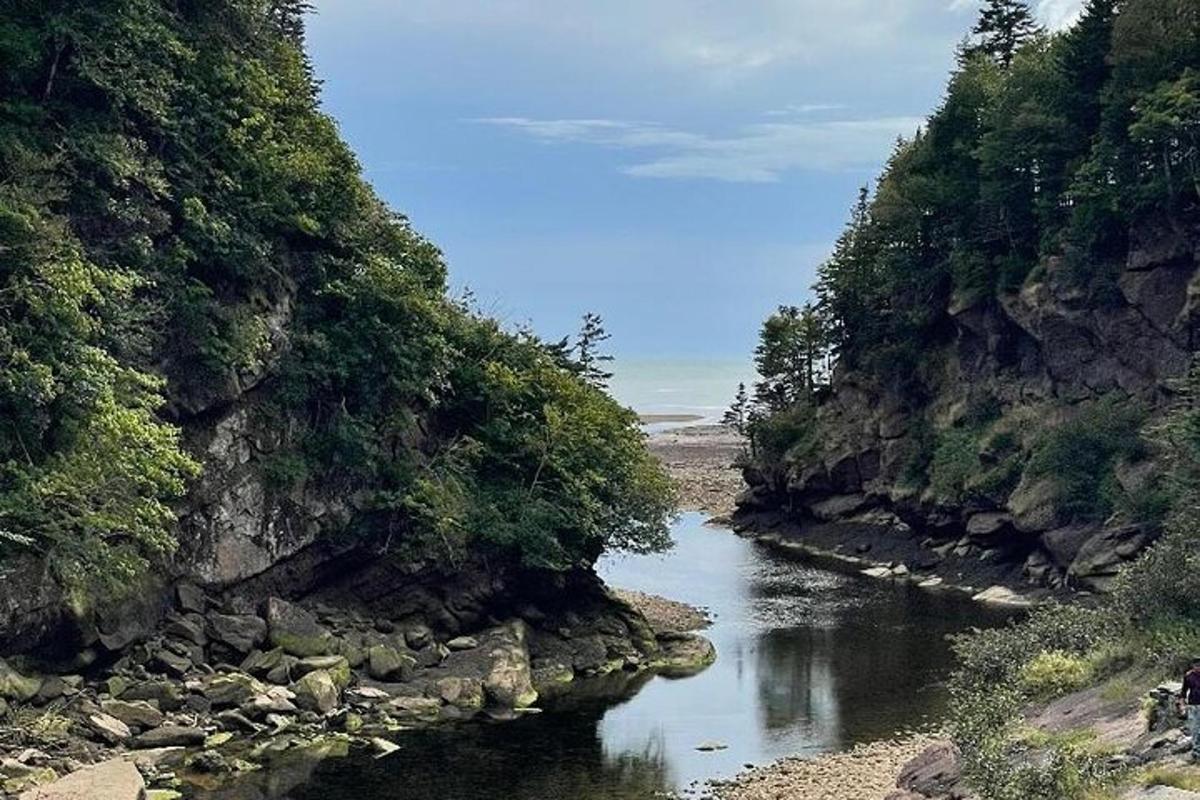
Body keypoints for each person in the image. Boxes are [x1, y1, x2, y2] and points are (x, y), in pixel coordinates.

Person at [1180, 658, 1200, 760]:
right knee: (1195, 729)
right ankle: (1196, 752)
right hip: (1194, 706)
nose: (1198, 667)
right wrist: (1182, 705)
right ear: (1193, 666)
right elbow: (1183, 692)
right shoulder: (1188, 676)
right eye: (1196, 665)